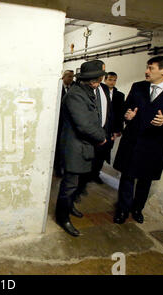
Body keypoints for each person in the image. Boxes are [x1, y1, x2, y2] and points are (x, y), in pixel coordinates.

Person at [113, 56, 163, 224]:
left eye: (151, 68)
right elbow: (127, 107)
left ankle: (137, 209)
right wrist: (128, 115)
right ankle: (122, 209)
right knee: (126, 177)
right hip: (132, 141)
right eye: (147, 67)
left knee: (145, 179)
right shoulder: (138, 87)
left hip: (155, 143)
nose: (146, 71)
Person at [55, 61, 107, 237]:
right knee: (69, 185)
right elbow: (84, 125)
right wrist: (101, 138)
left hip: (83, 147)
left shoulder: (86, 92)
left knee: (76, 183)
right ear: (92, 81)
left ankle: (69, 208)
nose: (99, 83)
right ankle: (63, 218)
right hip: (74, 148)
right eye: (98, 79)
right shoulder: (76, 95)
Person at [73, 62, 115, 202]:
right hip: (87, 137)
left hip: (101, 135)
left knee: (94, 166)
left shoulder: (104, 89)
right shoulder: (79, 92)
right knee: (78, 170)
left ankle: (82, 187)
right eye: (101, 73)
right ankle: (75, 194)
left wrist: (110, 131)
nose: (103, 76)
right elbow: (83, 121)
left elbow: (108, 112)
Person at [54, 70, 75, 177]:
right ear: (64, 77)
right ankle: (57, 167)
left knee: (64, 146)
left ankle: (62, 166)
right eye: (70, 77)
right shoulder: (57, 88)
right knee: (57, 145)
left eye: (72, 77)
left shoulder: (73, 88)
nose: (71, 79)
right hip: (57, 122)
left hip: (68, 123)